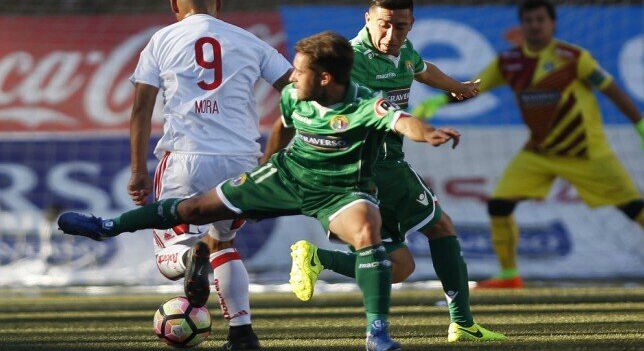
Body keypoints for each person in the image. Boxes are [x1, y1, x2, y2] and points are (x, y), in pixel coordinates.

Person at [59, 31, 465, 351]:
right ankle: (108, 226)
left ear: (325, 78)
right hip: (284, 177)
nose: (291, 77)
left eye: (299, 71)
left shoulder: (364, 106)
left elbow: (402, 121)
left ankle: (377, 335)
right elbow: (283, 125)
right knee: (196, 209)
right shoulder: (295, 95)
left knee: (367, 230)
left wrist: (428, 132)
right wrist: (269, 163)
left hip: (339, 191)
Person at [267, 0, 505, 342]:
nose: (392, 35)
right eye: (384, 25)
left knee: (399, 267)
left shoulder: (403, 50)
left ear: (411, 24)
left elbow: (422, 68)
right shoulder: (348, 59)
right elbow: (311, 101)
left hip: (379, 167)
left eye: (401, 27)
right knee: (441, 227)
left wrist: (456, 87)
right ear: (368, 18)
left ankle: (318, 258)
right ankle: (462, 323)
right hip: (372, 167)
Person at [414, 0, 644, 289]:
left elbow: (612, 90)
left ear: (553, 24)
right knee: (499, 205)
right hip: (539, 152)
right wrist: (439, 100)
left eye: (540, 20)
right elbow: (473, 88)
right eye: (529, 21)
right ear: (521, 26)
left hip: (586, 152)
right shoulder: (509, 62)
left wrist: (643, 128)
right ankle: (510, 275)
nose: (535, 26)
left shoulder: (573, 57)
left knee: (634, 208)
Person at [126, 0, 292, 349]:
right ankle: (242, 333)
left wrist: (137, 171)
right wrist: (274, 155)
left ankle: (190, 260)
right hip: (242, 160)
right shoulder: (250, 41)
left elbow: (141, 110)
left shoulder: (161, 40)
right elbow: (297, 93)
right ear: (218, 2)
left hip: (186, 159)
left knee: (171, 255)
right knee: (224, 242)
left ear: (174, 4)